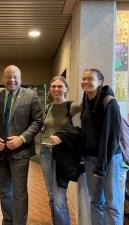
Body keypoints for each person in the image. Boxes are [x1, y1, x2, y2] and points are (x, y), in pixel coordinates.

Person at [52, 69, 126, 225]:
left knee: (112, 205)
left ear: (100, 81)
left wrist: (102, 166)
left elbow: (111, 138)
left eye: (90, 79)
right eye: (83, 79)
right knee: (95, 201)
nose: (85, 82)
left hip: (109, 159)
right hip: (91, 159)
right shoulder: (86, 99)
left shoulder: (109, 101)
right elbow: (85, 131)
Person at [0, 65, 43, 225]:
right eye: (8, 76)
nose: (12, 80)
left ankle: (19, 222)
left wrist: (22, 138)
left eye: (15, 77)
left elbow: (38, 121)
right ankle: (7, 220)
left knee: (19, 192)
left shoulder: (31, 96)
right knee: (4, 190)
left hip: (21, 152)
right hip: (0, 152)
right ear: (3, 78)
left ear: (21, 78)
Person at [40, 76, 80, 225]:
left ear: (66, 89)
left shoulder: (73, 106)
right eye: (54, 86)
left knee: (59, 198)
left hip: (62, 154)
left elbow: (80, 127)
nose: (56, 89)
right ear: (50, 89)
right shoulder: (48, 106)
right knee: (51, 195)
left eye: (60, 86)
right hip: (45, 152)